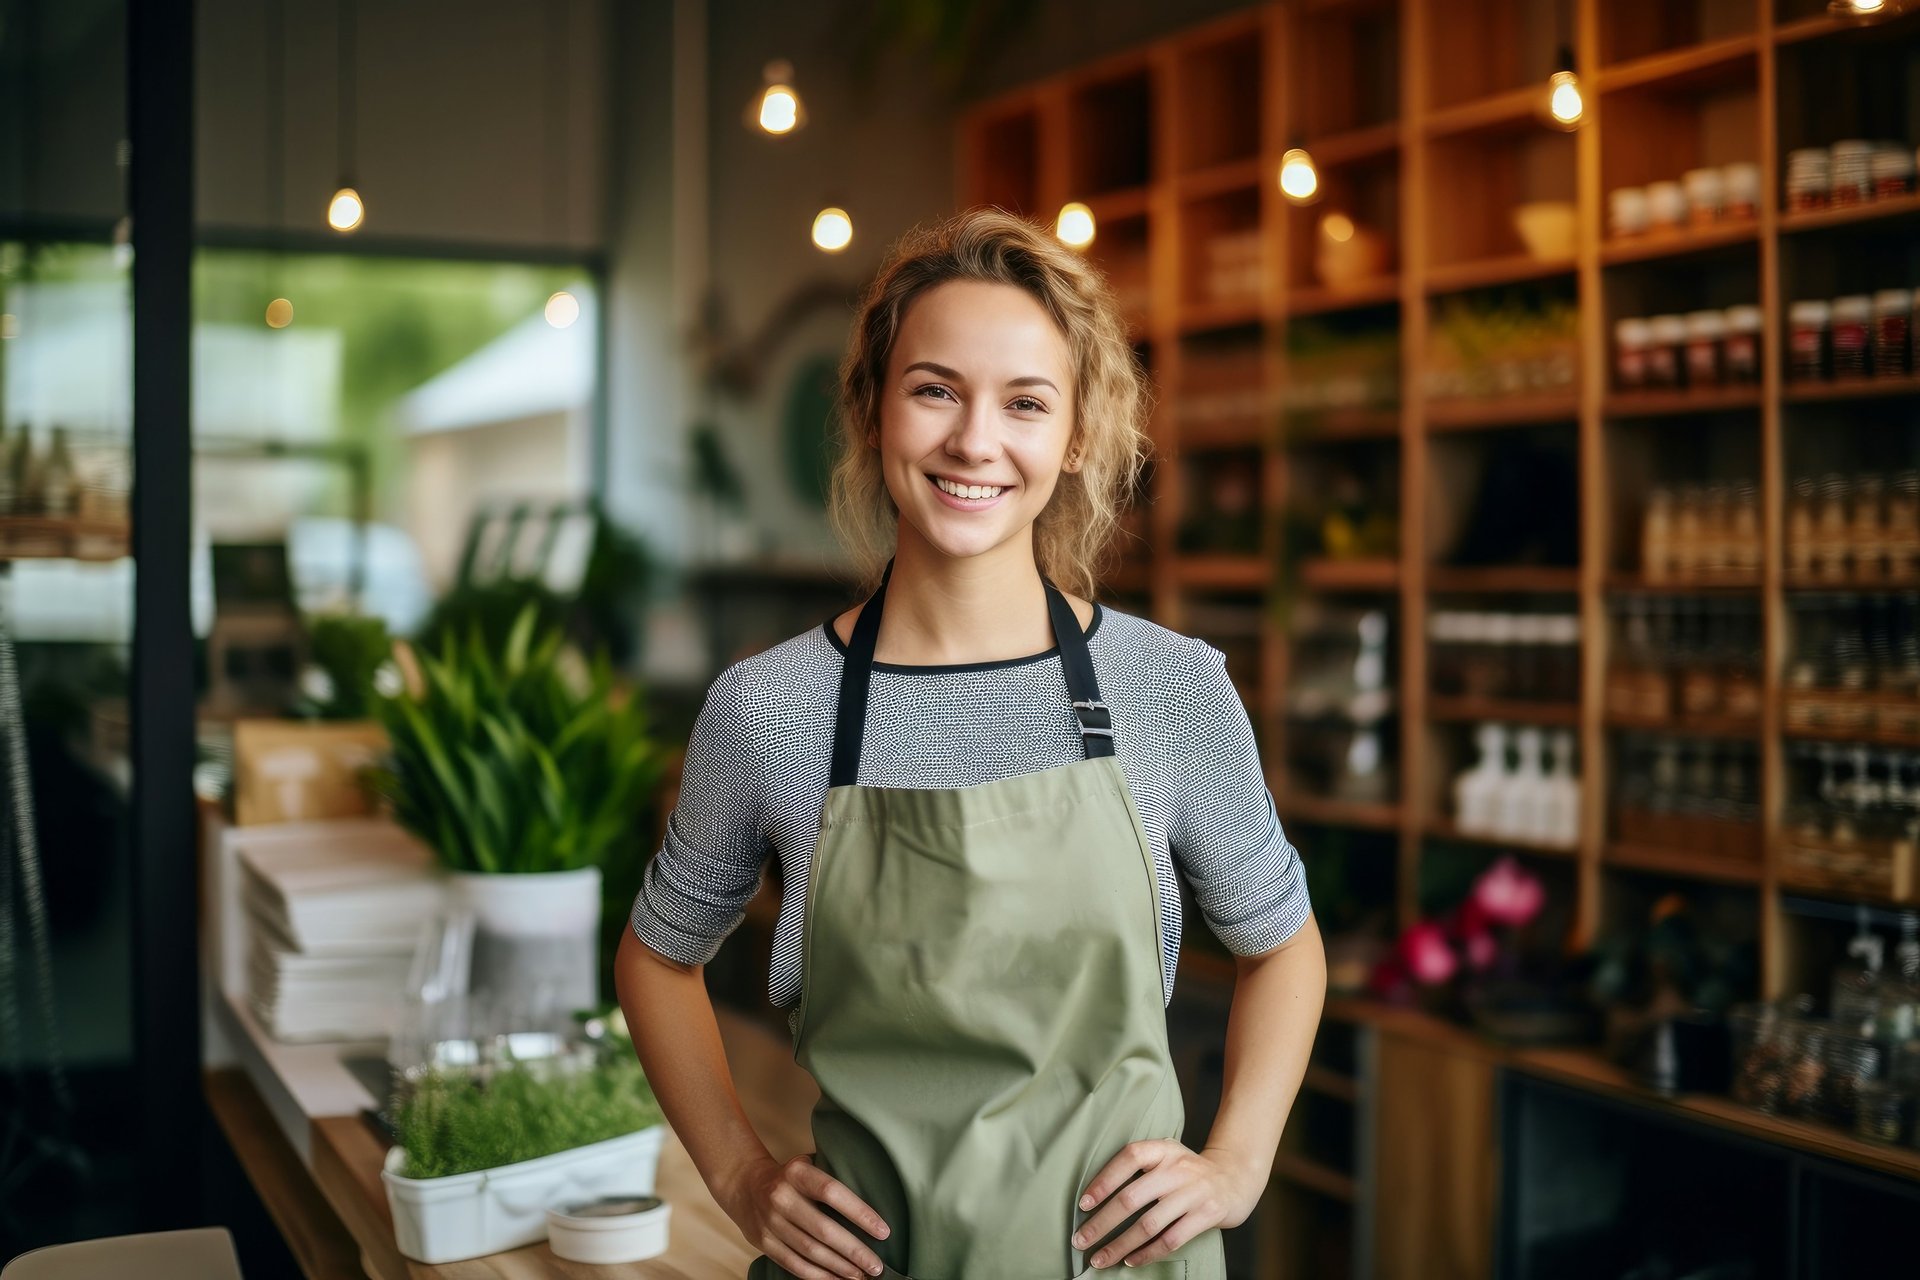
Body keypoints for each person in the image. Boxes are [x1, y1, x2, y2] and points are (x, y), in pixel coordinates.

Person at [615, 207, 1326, 1280]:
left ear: (1077, 435)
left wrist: (1236, 1161)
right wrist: (741, 1175)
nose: (974, 441)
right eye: (935, 388)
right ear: (872, 411)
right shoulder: (768, 709)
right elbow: (654, 962)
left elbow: (1285, 944)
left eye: (1026, 402)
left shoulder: (1171, 687)